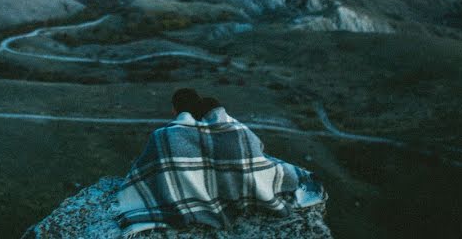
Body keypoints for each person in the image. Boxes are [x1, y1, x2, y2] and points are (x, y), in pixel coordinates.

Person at [115, 89, 326, 236]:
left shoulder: (163, 136)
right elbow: (258, 156)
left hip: (184, 204)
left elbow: (144, 173)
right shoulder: (237, 130)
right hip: (241, 191)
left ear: (175, 110)